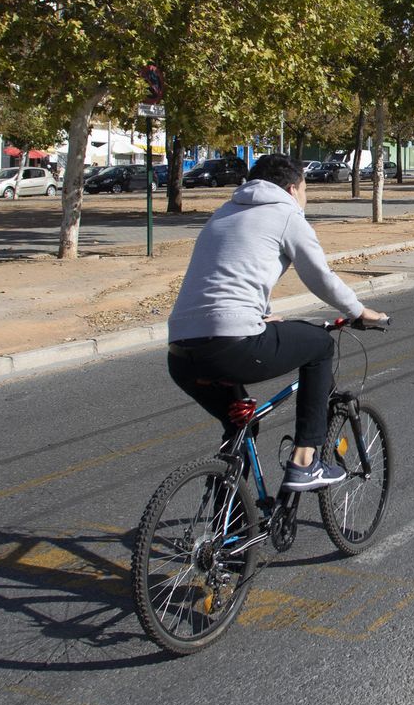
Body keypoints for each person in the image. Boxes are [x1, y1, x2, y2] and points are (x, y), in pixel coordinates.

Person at [166, 153, 389, 491]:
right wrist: (360, 311)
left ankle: (227, 528)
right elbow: (321, 278)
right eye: (304, 189)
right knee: (320, 346)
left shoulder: (224, 212)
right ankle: (305, 462)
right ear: (291, 187)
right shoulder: (286, 213)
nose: (305, 197)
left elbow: (231, 273)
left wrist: (259, 314)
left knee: (240, 426)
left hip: (181, 352)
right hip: (232, 344)